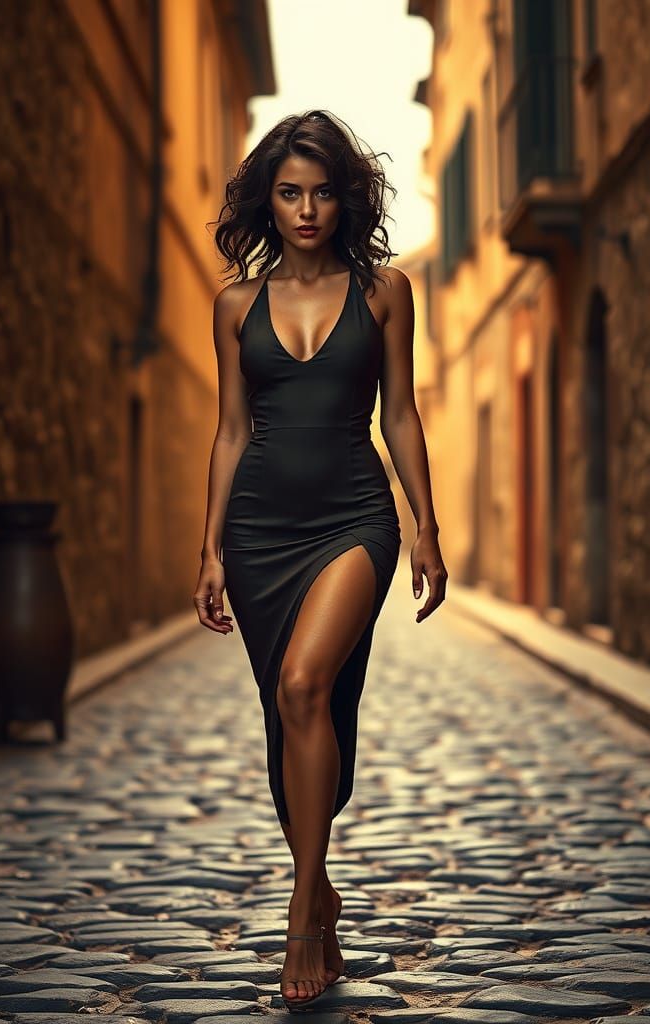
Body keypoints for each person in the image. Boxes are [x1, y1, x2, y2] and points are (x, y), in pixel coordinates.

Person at [194, 109, 446, 1011]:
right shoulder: (234, 304)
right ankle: (320, 881)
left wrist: (426, 526)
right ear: (269, 199)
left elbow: (402, 416)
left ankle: (303, 908)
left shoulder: (385, 292)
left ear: (348, 198)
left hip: (352, 518)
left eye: (324, 192)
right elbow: (230, 430)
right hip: (260, 529)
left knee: (306, 687)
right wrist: (212, 547)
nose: (308, 209)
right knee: (289, 719)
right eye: (291, 192)